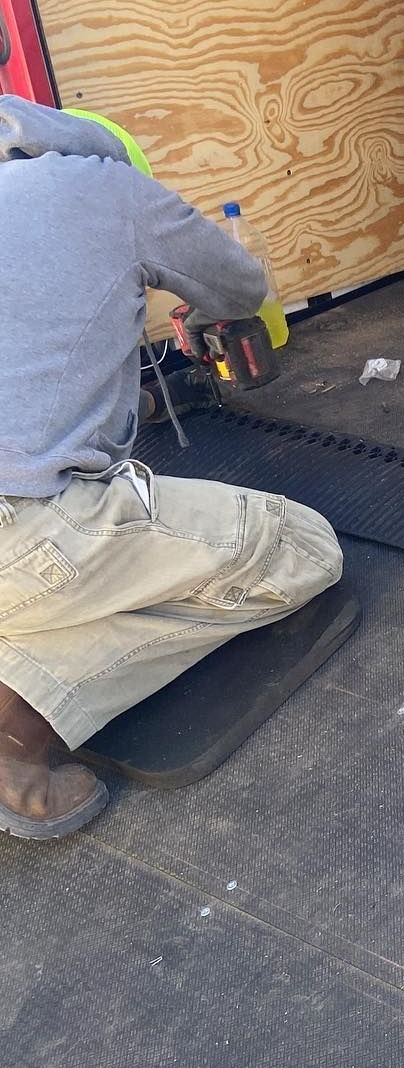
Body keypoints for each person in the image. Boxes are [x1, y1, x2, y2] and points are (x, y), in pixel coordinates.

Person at [0, 95, 342, 840]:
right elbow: (240, 288)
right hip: (17, 539)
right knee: (302, 548)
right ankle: (19, 716)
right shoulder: (102, 183)